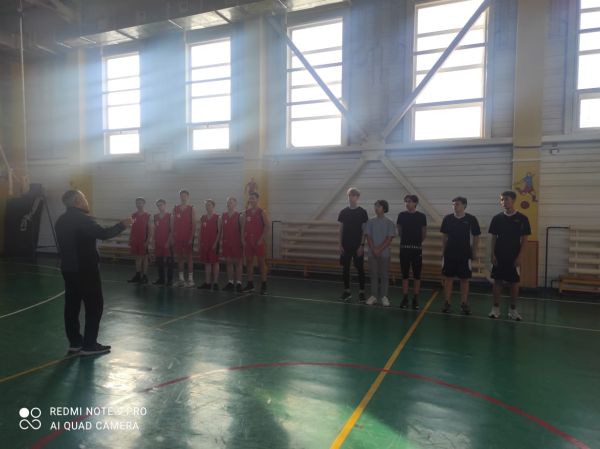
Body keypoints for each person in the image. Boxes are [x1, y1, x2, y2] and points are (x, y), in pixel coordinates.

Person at [55, 190, 132, 355]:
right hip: (85, 269)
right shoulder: (82, 219)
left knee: (72, 306)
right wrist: (122, 225)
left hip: (68, 269)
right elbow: (103, 234)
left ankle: (75, 343)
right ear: (77, 200)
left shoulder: (61, 220)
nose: (86, 200)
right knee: (94, 306)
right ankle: (89, 345)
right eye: (84, 198)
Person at [488, 191, 531, 321]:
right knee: (497, 281)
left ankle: (513, 310)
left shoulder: (522, 218)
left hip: (514, 256)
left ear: (513, 200)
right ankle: (495, 309)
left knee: (514, 283)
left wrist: (520, 257)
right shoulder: (497, 218)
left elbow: (525, 240)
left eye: (506, 199)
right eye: (502, 199)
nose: (503, 202)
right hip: (499, 255)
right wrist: (492, 254)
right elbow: (493, 238)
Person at [440, 197, 481, 315]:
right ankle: (447, 302)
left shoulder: (471, 219)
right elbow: (444, 236)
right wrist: (443, 251)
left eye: (457, 204)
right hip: (449, 254)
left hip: (465, 254)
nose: (454, 206)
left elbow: (476, 236)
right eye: (453, 204)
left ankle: (464, 303)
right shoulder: (447, 218)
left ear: (464, 205)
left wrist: (474, 252)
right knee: (448, 278)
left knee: (464, 279)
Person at [338, 188, 369, 303]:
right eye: (349, 195)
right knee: (345, 269)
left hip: (357, 245)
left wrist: (361, 245)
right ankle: (347, 291)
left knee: (360, 268)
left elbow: (364, 230)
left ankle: (361, 292)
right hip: (345, 245)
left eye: (353, 195)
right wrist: (340, 244)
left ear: (357, 197)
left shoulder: (362, 212)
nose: (350, 197)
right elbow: (341, 229)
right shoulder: (343, 212)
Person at [396, 194, 427, 310]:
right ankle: (405, 297)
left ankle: (415, 298)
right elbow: (399, 230)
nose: (407, 203)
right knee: (404, 275)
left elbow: (423, 232)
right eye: (406, 201)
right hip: (404, 249)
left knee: (417, 275)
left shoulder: (421, 216)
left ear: (415, 203)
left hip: (416, 250)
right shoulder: (401, 215)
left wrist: (416, 243)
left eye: (409, 201)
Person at [365, 200, 396, 307]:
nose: (376, 208)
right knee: (373, 274)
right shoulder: (370, 221)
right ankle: (373, 296)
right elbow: (368, 236)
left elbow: (389, 238)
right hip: (372, 253)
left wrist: (379, 249)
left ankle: (384, 296)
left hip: (385, 253)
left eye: (378, 206)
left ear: (384, 208)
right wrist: (374, 249)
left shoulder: (389, 222)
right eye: (375, 206)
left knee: (384, 275)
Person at [241, 192, 270, 294]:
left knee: (261, 263)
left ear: (257, 199)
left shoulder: (262, 212)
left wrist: (261, 239)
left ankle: (264, 284)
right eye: (250, 198)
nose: (251, 200)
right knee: (249, 262)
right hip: (248, 241)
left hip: (258, 242)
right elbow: (243, 227)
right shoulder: (246, 212)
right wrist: (242, 239)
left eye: (253, 198)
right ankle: (250, 285)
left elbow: (267, 226)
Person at [171, 190, 196, 287]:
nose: (183, 197)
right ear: (180, 197)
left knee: (189, 258)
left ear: (188, 197)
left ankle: (190, 279)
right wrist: (173, 236)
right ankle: (181, 279)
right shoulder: (175, 208)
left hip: (187, 237)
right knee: (180, 258)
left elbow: (194, 224)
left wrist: (191, 237)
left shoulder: (191, 208)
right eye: (181, 196)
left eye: (185, 196)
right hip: (178, 238)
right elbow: (172, 223)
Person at [220, 197, 243, 292]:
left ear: (235, 204)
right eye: (228, 202)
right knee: (228, 262)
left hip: (236, 242)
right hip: (226, 242)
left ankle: (239, 283)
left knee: (238, 263)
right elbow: (221, 230)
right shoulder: (224, 215)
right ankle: (230, 282)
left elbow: (242, 229)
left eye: (231, 202)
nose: (229, 204)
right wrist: (221, 241)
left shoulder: (239, 216)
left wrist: (242, 241)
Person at [198, 199, 221, 291]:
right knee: (207, 263)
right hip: (205, 243)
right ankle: (207, 282)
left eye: (209, 205)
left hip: (213, 243)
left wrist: (215, 243)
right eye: (206, 205)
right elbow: (200, 231)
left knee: (215, 263)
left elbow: (219, 232)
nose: (207, 207)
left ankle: (215, 283)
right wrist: (199, 242)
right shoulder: (203, 217)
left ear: (213, 206)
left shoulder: (218, 217)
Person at [128, 197, 151, 284]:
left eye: (140, 203)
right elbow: (132, 228)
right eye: (137, 203)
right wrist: (130, 238)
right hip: (135, 239)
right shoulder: (133, 215)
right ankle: (138, 275)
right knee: (137, 257)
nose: (139, 204)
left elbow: (150, 229)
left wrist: (148, 240)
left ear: (144, 204)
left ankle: (144, 276)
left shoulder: (147, 215)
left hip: (143, 240)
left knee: (144, 258)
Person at [152, 199, 173, 286]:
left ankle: (169, 280)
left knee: (169, 262)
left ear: (165, 205)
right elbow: (154, 229)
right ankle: (161, 279)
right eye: (158, 205)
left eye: (161, 205)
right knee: (159, 262)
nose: (160, 207)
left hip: (167, 242)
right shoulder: (155, 216)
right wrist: (153, 240)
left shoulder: (170, 216)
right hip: (158, 242)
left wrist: (168, 241)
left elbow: (172, 230)